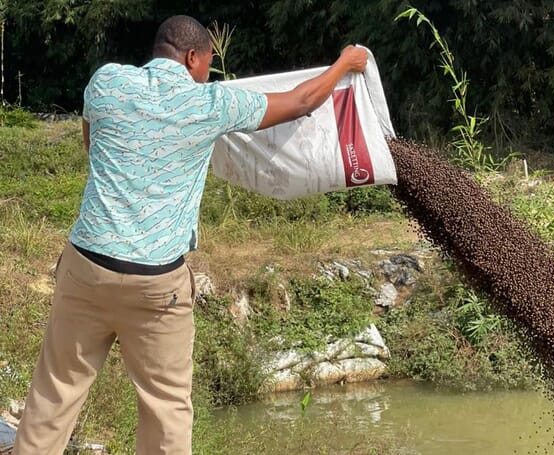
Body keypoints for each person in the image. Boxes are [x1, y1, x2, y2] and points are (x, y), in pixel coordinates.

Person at [13, 15, 367, 455]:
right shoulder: (210, 103)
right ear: (192, 57)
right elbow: (300, 102)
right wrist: (344, 62)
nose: (208, 75)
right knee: (166, 406)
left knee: (56, 392)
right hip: (157, 285)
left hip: (86, 265)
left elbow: (93, 146)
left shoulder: (106, 82)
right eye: (207, 65)